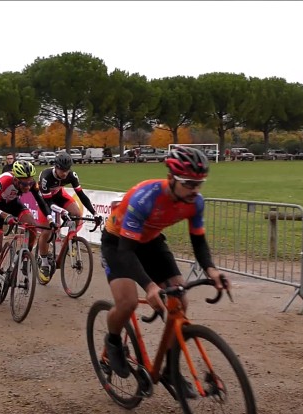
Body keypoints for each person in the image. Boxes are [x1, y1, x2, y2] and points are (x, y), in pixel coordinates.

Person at [100, 146, 225, 381]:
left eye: (199, 184)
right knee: (127, 303)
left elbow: (198, 241)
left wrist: (212, 270)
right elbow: (127, 252)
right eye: (188, 183)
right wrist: (149, 286)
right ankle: (114, 342)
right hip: (119, 242)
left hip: (151, 240)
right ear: (171, 178)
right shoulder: (145, 197)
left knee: (180, 300)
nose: (194, 190)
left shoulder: (195, 202)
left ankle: (170, 369)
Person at [0, 160, 53, 303]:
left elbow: (41, 201)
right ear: (15, 179)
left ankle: (25, 256)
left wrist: (50, 219)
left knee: (32, 226)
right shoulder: (4, 181)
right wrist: (5, 216)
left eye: (30, 183)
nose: (27, 187)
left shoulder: (30, 183)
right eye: (23, 184)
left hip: (14, 204)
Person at [35, 151, 103, 282]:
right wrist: (62, 211)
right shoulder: (46, 176)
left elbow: (82, 196)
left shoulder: (71, 175)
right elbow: (48, 203)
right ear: (56, 166)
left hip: (59, 195)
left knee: (77, 214)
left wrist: (94, 213)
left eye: (67, 170)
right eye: (62, 170)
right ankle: (44, 263)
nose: (64, 173)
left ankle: (71, 241)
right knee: (46, 231)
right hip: (45, 201)